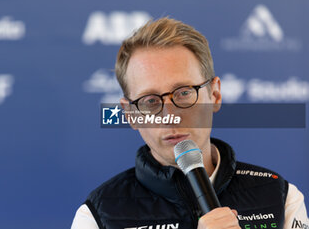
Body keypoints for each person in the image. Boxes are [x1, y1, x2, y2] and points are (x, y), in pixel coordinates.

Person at [71, 17, 308, 229]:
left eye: (184, 93)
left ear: (214, 95)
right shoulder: (97, 216)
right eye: (150, 100)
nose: (168, 114)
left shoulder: (280, 197)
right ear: (131, 114)